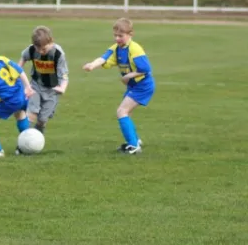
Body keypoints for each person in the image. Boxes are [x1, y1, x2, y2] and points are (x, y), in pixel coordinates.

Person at [82, 18, 155, 154]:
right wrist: (92, 65)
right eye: (115, 35)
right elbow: (103, 58)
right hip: (134, 86)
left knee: (121, 111)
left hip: (143, 85)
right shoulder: (116, 49)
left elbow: (145, 68)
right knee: (127, 112)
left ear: (130, 34)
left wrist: (128, 76)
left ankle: (134, 146)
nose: (117, 38)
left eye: (120, 36)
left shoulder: (135, 49)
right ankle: (135, 140)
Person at [17, 25, 69, 138]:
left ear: (51, 42)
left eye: (44, 49)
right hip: (35, 86)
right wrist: (16, 72)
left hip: (52, 90)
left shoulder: (58, 54)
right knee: (31, 113)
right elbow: (23, 58)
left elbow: (64, 74)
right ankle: (23, 141)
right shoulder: (31, 49)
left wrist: (62, 87)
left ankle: (36, 141)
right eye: (38, 48)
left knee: (42, 120)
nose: (41, 51)